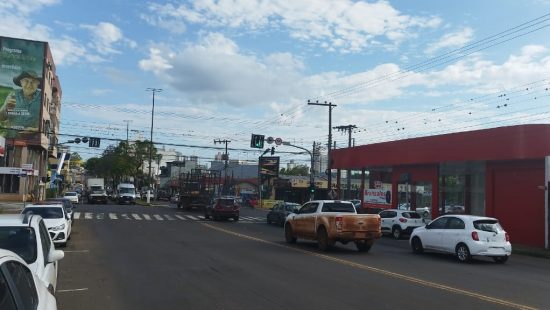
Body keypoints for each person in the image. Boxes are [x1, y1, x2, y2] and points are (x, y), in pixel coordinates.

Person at [0, 70, 42, 138]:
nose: (29, 85)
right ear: (21, 82)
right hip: (10, 139)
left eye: (33, 82)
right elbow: (1, 118)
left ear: (38, 83)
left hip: (33, 142)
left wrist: (36, 130)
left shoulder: (43, 99)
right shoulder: (13, 95)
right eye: (26, 81)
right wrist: (6, 109)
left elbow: (48, 125)